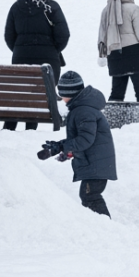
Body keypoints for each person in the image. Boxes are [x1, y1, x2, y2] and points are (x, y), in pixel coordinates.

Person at [39, 71, 117, 217]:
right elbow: (83, 139)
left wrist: (62, 146)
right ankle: (101, 227)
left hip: (96, 165)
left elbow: (85, 140)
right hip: (95, 162)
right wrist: (66, 151)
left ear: (69, 93)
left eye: (62, 94)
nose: (61, 97)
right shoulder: (82, 108)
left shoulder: (83, 111)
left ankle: (105, 227)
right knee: (89, 196)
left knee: (90, 197)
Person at [4, 0, 70, 130]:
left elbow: (9, 36)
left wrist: (20, 50)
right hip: (48, 62)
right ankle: (30, 129)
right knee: (38, 93)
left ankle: (10, 127)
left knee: (22, 93)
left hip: (20, 59)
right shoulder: (51, 6)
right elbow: (63, 35)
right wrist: (53, 50)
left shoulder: (16, 7)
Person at [98, 0, 139, 104]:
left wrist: (102, 53)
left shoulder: (106, 10)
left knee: (117, 93)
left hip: (115, 53)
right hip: (135, 53)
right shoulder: (133, 8)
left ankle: (114, 120)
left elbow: (102, 34)